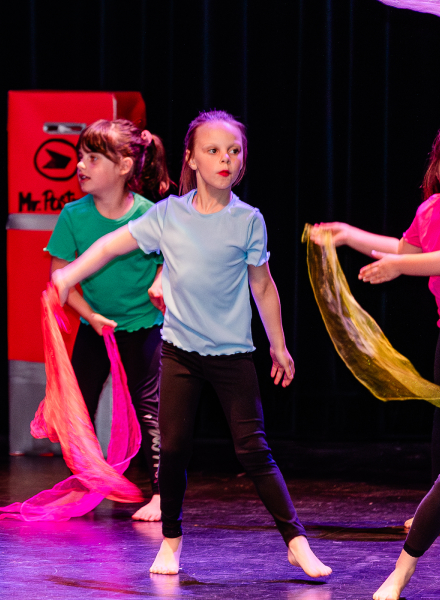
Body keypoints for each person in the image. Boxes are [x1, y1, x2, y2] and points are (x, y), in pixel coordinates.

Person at [51, 110, 330, 578]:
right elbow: (109, 246)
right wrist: (69, 276)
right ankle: (171, 542)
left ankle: (296, 539)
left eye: (234, 151)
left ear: (242, 162)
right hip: (179, 353)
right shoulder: (168, 215)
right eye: (213, 150)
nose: (225, 159)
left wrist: (279, 346)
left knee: (253, 449)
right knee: (175, 448)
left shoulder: (248, 220)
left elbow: (263, 286)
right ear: (192, 159)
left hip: (233, 355)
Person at [309, 121, 440, 600]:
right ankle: (435, 510)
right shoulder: (431, 209)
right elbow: (406, 249)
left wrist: (399, 267)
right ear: (436, 169)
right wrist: (348, 234)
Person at [45, 118, 172, 521]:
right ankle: (86, 482)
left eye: (92, 158)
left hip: (144, 326)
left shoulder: (149, 215)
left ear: (124, 167)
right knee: (77, 406)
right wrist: (92, 317)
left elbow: (170, 262)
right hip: (95, 328)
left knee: (149, 409)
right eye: (80, 157)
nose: (81, 165)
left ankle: (159, 493)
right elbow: (61, 277)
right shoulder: (73, 216)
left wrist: (159, 283)